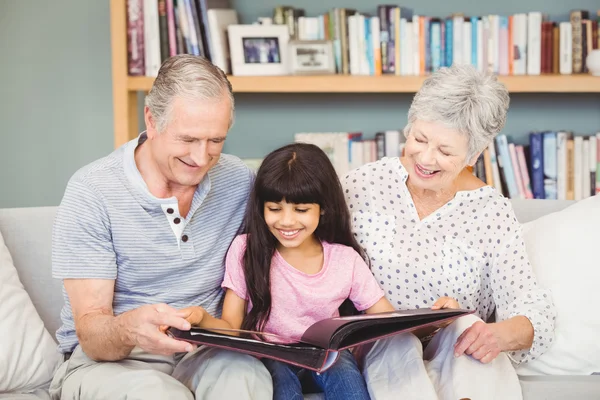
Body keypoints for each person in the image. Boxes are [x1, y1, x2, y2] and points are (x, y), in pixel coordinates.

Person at [49, 55, 272, 399]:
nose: (201, 158)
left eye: (216, 141)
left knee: (246, 376)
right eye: (188, 140)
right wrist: (129, 330)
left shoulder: (237, 179)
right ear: (152, 120)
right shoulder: (93, 191)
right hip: (116, 363)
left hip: (206, 351)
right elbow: (92, 335)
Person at [343, 64, 556, 400]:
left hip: (456, 352)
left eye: (444, 151)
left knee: (466, 328)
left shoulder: (491, 213)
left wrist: (495, 335)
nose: (425, 158)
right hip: (380, 350)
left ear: (474, 154)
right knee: (395, 345)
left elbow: (532, 311)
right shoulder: (361, 186)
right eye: (419, 139)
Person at [176, 143, 396, 400]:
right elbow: (232, 328)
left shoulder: (345, 259)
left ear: (322, 208)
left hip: (326, 356)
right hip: (272, 356)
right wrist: (202, 318)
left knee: (345, 374)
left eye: (301, 210)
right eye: (274, 209)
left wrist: (437, 322)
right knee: (279, 380)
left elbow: (388, 322)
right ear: (262, 207)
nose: (287, 221)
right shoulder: (246, 250)